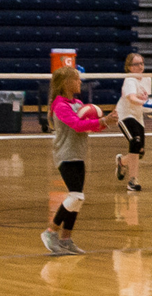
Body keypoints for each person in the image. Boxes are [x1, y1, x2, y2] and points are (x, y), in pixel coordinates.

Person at [41, 66, 120, 255]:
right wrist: (103, 121)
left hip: (79, 154)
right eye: (76, 79)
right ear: (66, 83)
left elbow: (88, 126)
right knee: (76, 196)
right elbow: (77, 125)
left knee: (77, 199)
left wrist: (106, 122)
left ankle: (66, 239)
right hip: (65, 155)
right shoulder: (60, 106)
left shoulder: (77, 103)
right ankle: (50, 231)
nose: (80, 82)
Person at [115, 53, 152, 191]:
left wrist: (150, 108)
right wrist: (146, 104)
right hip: (125, 115)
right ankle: (132, 181)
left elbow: (145, 99)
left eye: (142, 63)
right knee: (135, 142)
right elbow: (131, 98)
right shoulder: (130, 80)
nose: (140, 66)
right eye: (136, 64)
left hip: (138, 116)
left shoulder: (147, 79)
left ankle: (122, 161)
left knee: (140, 151)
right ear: (129, 67)